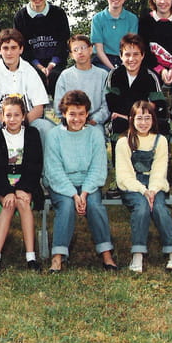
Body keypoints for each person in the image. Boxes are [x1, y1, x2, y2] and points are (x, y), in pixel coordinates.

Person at [43, 90, 117, 273]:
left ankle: (106, 254)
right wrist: (73, 195)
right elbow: (54, 171)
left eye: (81, 114)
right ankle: (57, 257)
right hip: (62, 184)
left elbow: (98, 167)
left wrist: (83, 193)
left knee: (95, 205)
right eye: (72, 114)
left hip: (87, 185)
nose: (77, 119)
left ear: (87, 114)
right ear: (64, 114)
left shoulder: (94, 134)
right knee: (67, 206)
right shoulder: (54, 135)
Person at [116, 100, 172, 273]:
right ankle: (138, 253)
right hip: (132, 186)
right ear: (132, 119)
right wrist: (143, 191)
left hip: (155, 184)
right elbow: (124, 175)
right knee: (142, 207)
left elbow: (160, 170)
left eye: (147, 118)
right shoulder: (124, 142)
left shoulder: (160, 141)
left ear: (153, 120)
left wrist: (152, 190)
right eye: (139, 118)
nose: (143, 123)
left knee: (159, 207)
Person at [0, 96, 44, 271]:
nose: (12, 119)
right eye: (8, 115)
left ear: (24, 115)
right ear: (2, 116)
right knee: (9, 204)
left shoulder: (32, 134)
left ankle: (31, 256)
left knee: (23, 203)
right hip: (2, 182)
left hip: (27, 181)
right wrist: (7, 190)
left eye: (17, 115)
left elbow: (35, 165)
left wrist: (23, 188)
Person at [0, 28, 56, 146]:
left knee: (46, 127)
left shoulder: (30, 71)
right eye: (5, 48)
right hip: (0, 120)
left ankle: (45, 165)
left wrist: (21, 123)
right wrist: (9, 123)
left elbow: (39, 108)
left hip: (27, 120)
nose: (9, 53)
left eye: (13, 48)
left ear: (21, 49)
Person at [105, 33, 169, 144]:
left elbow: (159, 105)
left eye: (136, 54)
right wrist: (145, 105)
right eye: (127, 54)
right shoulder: (114, 75)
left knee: (162, 125)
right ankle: (120, 161)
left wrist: (134, 116)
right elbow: (113, 104)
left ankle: (158, 160)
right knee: (118, 123)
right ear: (121, 56)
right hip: (122, 120)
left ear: (142, 55)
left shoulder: (150, 76)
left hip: (145, 119)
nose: (131, 59)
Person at [13, 0, 70, 95]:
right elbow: (22, 47)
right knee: (36, 79)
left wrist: (51, 64)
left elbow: (63, 42)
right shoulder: (20, 17)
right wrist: (39, 67)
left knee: (56, 78)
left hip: (56, 63)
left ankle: (60, 113)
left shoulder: (58, 14)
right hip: (31, 64)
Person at [53, 34, 110, 133]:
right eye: (75, 50)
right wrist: (72, 119)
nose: (80, 52)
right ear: (71, 55)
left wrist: (94, 120)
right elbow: (59, 105)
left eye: (83, 48)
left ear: (91, 49)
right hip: (70, 121)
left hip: (93, 123)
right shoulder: (65, 76)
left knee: (97, 134)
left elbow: (107, 105)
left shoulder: (103, 75)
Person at [90, 0, 138, 71]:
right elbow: (99, 50)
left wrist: (124, 66)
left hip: (125, 59)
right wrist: (113, 70)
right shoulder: (98, 19)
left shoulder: (132, 19)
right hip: (102, 61)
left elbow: (131, 47)